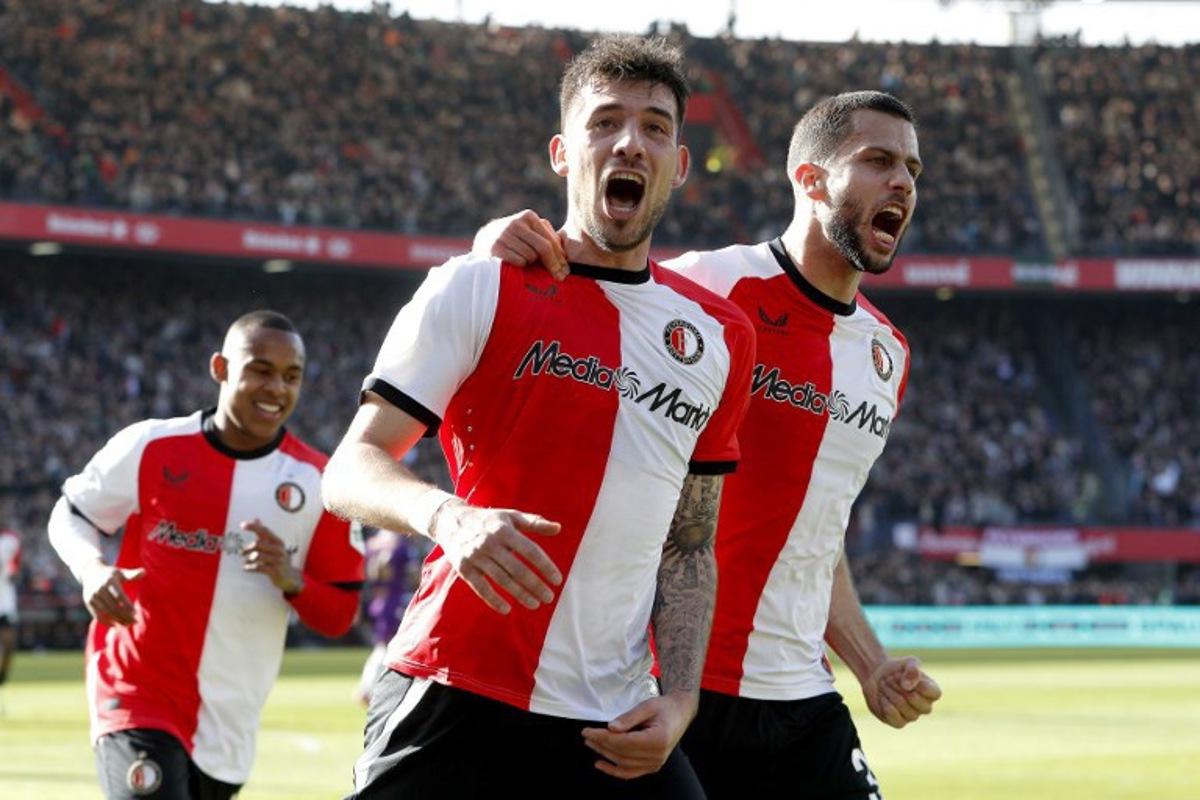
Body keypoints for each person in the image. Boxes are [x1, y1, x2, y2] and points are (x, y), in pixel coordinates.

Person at [475, 90, 943, 798]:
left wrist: (870, 664)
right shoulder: (708, 290)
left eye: (911, 167)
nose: (902, 182)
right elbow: (584, 289)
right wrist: (495, 247)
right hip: (672, 692)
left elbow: (816, 531)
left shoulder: (888, 354)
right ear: (810, 179)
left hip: (803, 698)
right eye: (878, 161)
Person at [322, 35, 754, 799]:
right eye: (605, 122)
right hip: (456, 688)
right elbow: (351, 467)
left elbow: (690, 545)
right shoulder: (477, 285)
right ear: (563, 152)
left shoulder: (720, 338)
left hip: (613, 722)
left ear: (679, 165)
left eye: (656, 127)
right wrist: (450, 518)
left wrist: (682, 699)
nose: (630, 141)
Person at [46, 310, 364, 800]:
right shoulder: (152, 445)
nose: (276, 388)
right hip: (136, 690)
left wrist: (291, 579)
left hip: (228, 720)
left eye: (291, 376)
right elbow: (72, 514)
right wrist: (91, 570)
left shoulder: (321, 484)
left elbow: (340, 615)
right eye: (260, 369)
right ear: (220, 368)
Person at [353, 525, 420, 706]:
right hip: (395, 602)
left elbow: (371, 572)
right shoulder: (399, 543)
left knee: (384, 646)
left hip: (380, 600)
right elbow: (413, 575)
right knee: (387, 647)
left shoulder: (374, 543)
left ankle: (368, 687)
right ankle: (367, 688)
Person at [0, 525, 20, 704]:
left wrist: (12, 572)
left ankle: (2, 680)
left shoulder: (10, 540)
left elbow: (14, 566)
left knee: (8, 646)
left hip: (4, 602)